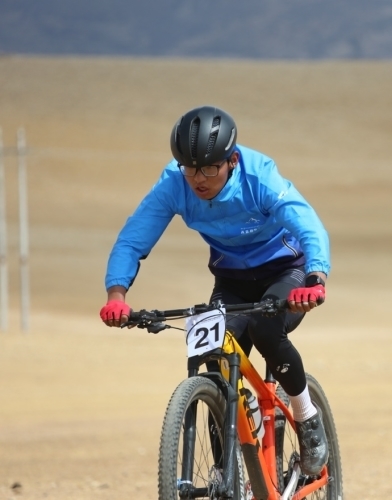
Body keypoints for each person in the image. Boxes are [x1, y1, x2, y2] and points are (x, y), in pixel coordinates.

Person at [99, 105, 330, 475]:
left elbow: (308, 224)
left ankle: (306, 417)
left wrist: (315, 278)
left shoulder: (259, 177)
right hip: (232, 280)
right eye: (190, 168)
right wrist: (116, 294)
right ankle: (227, 469)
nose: (198, 178)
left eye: (209, 168)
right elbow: (133, 237)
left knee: (265, 328)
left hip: (285, 272)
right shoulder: (174, 183)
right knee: (213, 351)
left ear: (232, 160)